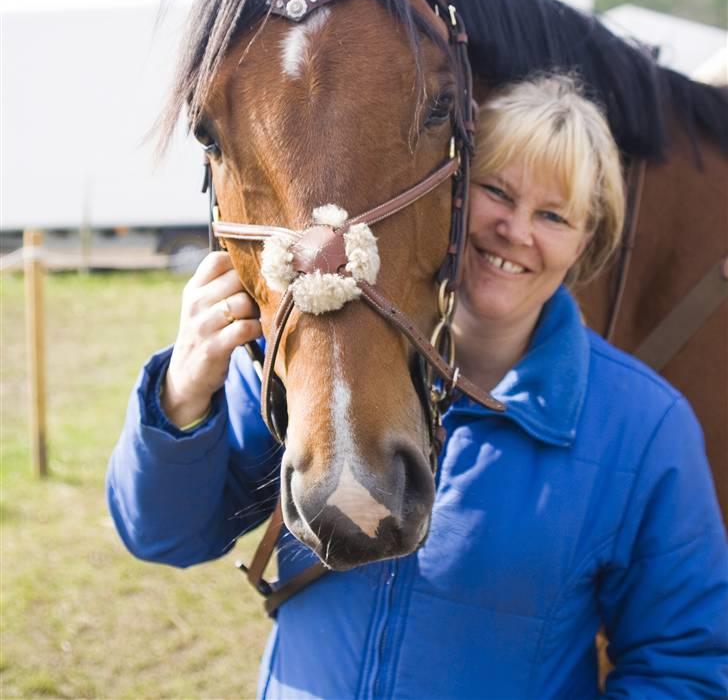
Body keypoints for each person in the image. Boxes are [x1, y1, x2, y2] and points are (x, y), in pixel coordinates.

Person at [107, 74, 728, 699]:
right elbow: (165, 534)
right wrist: (183, 396)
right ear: (449, 191)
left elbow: (684, 668)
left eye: (553, 215)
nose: (516, 230)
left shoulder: (643, 427)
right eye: (496, 191)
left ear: (585, 242)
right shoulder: (321, 357)